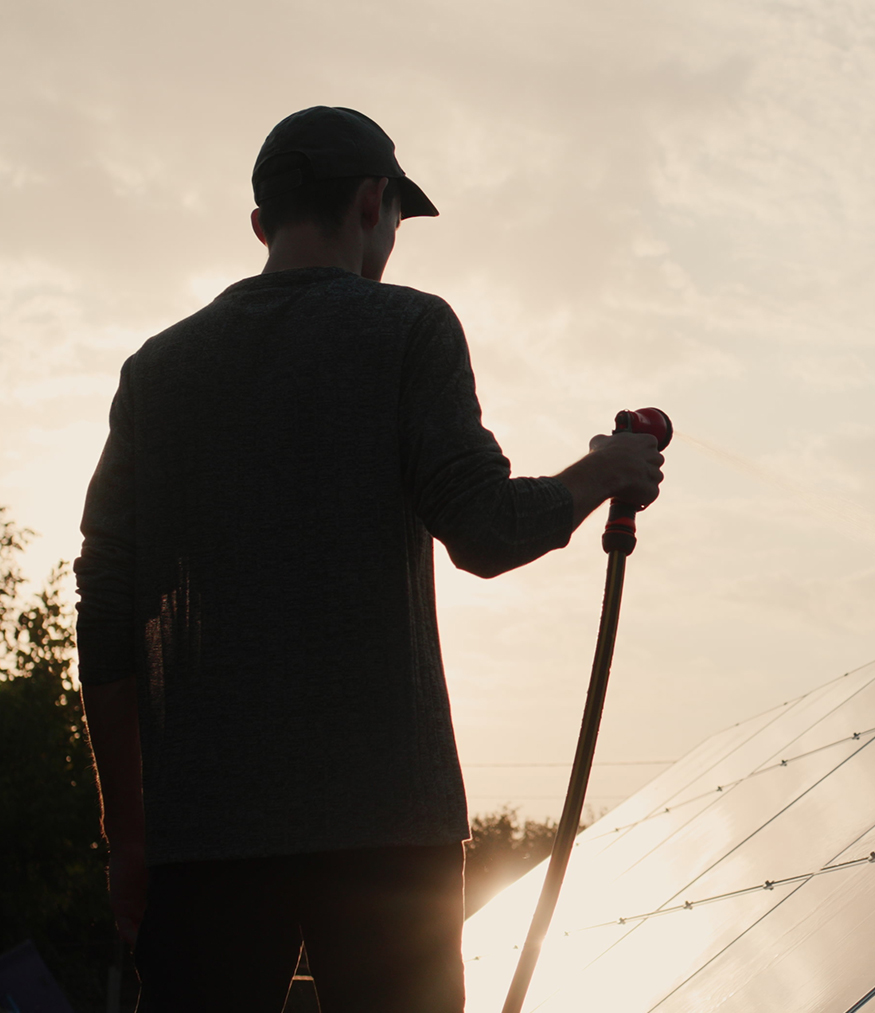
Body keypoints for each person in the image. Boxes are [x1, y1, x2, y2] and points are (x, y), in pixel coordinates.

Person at [74, 106, 664, 1013]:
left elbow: (107, 614)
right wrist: (606, 469)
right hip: (388, 828)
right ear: (370, 202)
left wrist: (130, 835)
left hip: (202, 838)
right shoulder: (409, 331)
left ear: (264, 224)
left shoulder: (154, 373)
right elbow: (486, 529)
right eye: (394, 219)